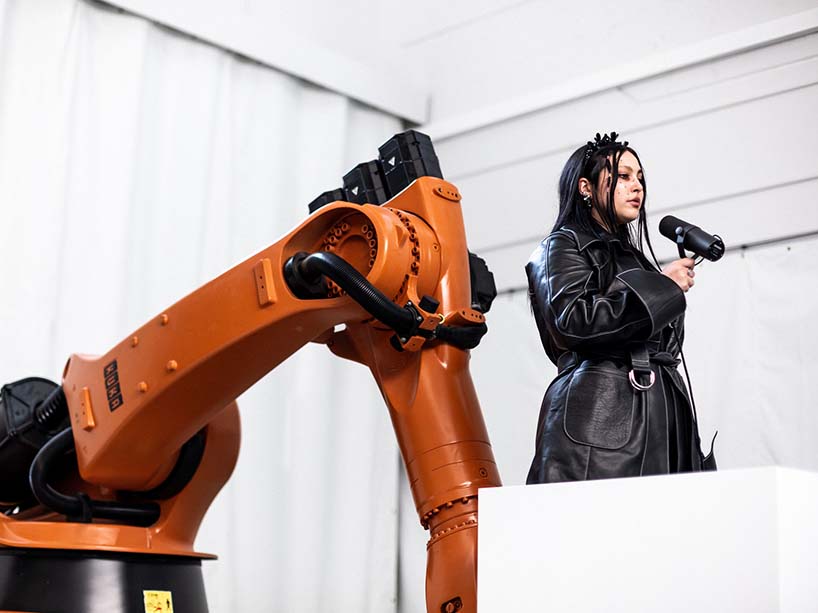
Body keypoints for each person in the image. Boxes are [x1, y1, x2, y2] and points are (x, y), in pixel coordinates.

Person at [525, 132, 713, 484]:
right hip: (605, 414)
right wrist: (663, 286)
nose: (636, 186)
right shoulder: (561, 246)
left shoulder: (636, 259)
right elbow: (573, 321)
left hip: (661, 415)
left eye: (639, 177)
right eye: (623, 176)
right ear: (586, 187)